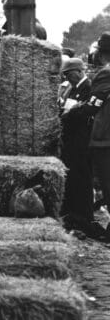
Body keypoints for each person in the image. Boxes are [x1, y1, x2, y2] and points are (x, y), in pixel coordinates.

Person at [58, 57, 101, 238]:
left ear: (78, 71)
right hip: (72, 140)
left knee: (82, 179)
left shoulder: (87, 88)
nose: (67, 78)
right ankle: (74, 215)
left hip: (81, 141)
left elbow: (82, 112)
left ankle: (84, 217)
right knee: (73, 178)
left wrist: (70, 113)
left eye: (69, 74)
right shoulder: (72, 89)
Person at [86, 32, 110, 240]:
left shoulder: (105, 74)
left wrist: (75, 111)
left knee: (107, 182)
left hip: (105, 138)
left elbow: (94, 104)